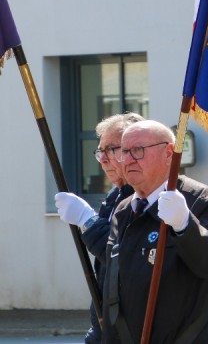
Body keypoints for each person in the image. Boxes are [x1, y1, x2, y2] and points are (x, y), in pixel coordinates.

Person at [102, 120, 208, 343]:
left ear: (169, 153)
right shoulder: (123, 210)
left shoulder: (198, 199)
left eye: (138, 151)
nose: (128, 159)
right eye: (123, 151)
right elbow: (111, 285)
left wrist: (185, 225)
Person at [53, 112, 144, 344]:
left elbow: (122, 256)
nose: (103, 159)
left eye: (111, 149)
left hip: (131, 326)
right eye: (99, 151)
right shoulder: (115, 196)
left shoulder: (144, 196)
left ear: (135, 150)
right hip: (106, 325)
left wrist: (87, 219)